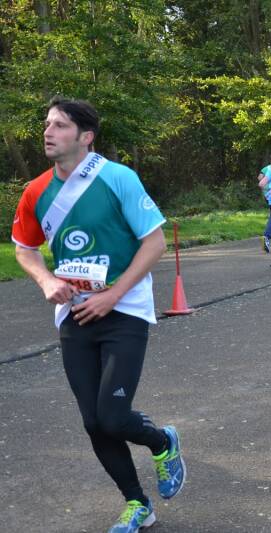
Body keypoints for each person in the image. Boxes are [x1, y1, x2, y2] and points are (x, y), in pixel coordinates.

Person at [12, 98, 185, 533]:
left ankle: (163, 442)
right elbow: (24, 249)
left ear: (85, 137)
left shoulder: (117, 178)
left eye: (60, 126)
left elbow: (154, 243)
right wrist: (46, 281)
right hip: (74, 315)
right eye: (47, 124)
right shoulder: (35, 191)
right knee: (93, 421)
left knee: (112, 415)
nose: (48, 132)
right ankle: (138, 504)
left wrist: (114, 295)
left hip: (124, 309)